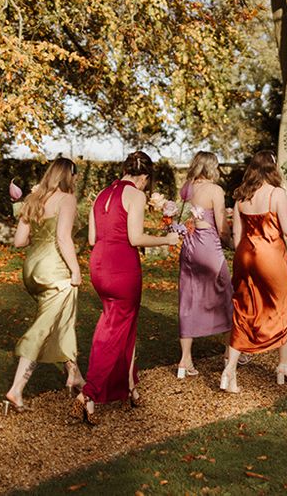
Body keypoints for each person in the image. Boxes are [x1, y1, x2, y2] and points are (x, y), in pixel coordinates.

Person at [73, 151, 178, 424]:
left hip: (98, 265)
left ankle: (131, 386)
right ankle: (90, 393)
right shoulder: (135, 195)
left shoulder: (101, 194)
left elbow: (93, 237)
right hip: (122, 268)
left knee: (117, 324)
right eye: (146, 181)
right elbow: (135, 237)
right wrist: (167, 240)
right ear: (143, 176)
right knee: (116, 330)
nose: (145, 185)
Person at [220, 150, 287, 394]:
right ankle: (283, 365)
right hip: (270, 257)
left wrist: (243, 262)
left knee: (243, 311)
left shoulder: (241, 196)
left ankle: (231, 369)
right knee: (280, 307)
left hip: (244, 256)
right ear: (272, 168)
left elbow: (237, 236)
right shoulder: (276, 193)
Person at [4, 157, 83, 413]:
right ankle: (16, 390)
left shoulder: (34, 199)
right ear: (68, 176)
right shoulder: (66, 199)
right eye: (75, 175)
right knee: (42, 326)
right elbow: (63, 238)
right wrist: (76, 269)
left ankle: (75, 375)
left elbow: (19, 241)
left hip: (32, 269)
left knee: (61, 319)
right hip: (55, 269)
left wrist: (40, 239)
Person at [176, 151, 234, 378]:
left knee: (188, 299)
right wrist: (230, 240)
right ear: (212, 167)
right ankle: (231, 355)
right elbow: (221, 226)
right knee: (227, 295)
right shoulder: (215, 190)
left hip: (189, 247)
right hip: (209, 247)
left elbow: (185, 218)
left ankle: (185, 360)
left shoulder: (187, 188)